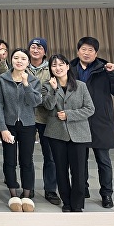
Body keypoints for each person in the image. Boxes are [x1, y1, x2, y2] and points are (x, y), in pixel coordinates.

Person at [70, 36, 114, 208]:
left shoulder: (105, 68)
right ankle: (83, 188)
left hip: (101, 121)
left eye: (90, 50)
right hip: (79, 120)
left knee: (103, 160)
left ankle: (107, 194)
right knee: (80, 160)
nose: (86, 53)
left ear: (96, 53)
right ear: (78, 50)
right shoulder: (70, 68)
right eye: (83, 49)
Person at [43, 54, 95, 212]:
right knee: (61, 169)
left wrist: (69, 115)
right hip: (56, 133)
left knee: (79, 171)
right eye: (53, 65)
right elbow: (47, 106)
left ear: (67, 66)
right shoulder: (47, 85)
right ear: (50, 69)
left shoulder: (81, 85)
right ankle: (66, 201)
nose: (57, 68)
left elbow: (90, 109)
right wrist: (53, 90)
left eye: (60, 65)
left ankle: (77, 204)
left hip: (79, 134)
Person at [0, 48, 41, 212]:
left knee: (27, 160)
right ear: (11, 60)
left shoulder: (34, 80)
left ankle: (26, 195)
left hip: (28, 125)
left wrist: (26, 84)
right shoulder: (2, 79)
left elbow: (34, 102)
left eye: (23, 58)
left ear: (28, 62)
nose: (19, 61)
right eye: (16, 58)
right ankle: (13, 194)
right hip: (9, 126)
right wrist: (3, 128)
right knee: (10, 160)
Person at [26, 38, 59, 205]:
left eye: (40, 47)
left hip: (47, 117)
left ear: (45, 52)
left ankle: (51, 190)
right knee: (27, 155)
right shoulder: (22, 65)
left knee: (50, 156)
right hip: (28, 117)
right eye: (33, 46)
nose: (36, 49)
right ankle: (28, 187)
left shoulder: (52, 68)